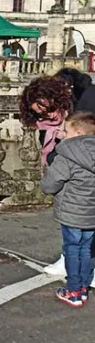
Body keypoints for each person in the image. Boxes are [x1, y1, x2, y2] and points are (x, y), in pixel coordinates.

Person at [20, 69, 95, 284]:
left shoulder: (88, 100)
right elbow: (52, 151)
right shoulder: (51, 122)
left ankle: (88, 266)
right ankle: (68, 260)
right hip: (71, 180)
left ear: (58, 98)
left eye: (50, 109)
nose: (48, 117)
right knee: (74, 226)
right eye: (39, 115)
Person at [41, 112, 95, 307]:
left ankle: (72, 289)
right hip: (92, 214)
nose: (61, 134)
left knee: (72, 249)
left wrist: (46, 185)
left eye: (65, 130)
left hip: (72, 213)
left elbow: (51, 184)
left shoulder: (67, 155)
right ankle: (83, 287)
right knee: (87, 250)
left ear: (78, 133)